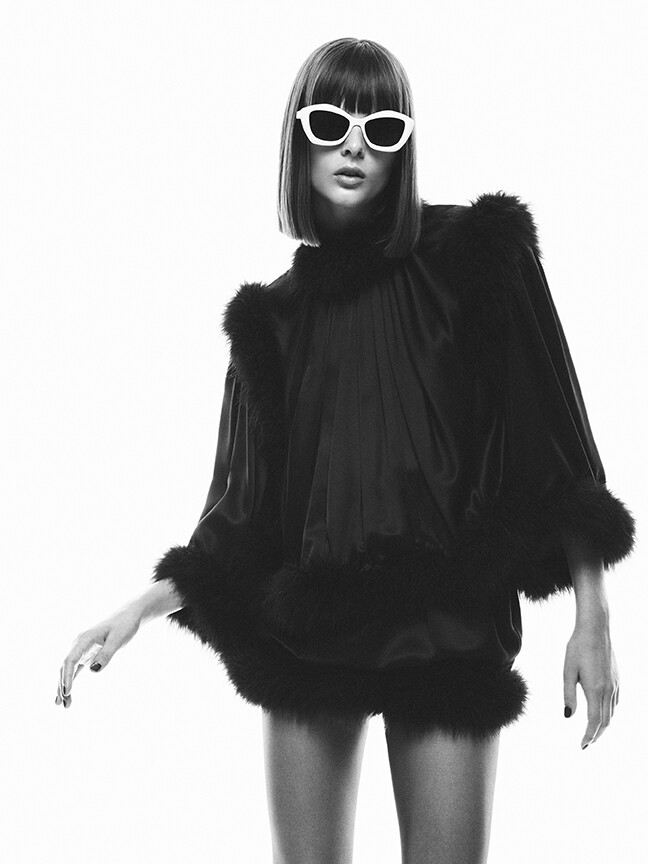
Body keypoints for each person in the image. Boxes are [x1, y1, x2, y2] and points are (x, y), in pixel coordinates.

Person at [56, 37, 636, 864]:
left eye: (383, 127)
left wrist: (594, 616)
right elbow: (239, 523)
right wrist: (136, 611)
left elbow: (553, 445)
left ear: (404, 147)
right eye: (331, 122)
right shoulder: (270, 323)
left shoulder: (478, 256)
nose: (356, 144)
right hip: (309, 638)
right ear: (298, 138)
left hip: (446, 628)